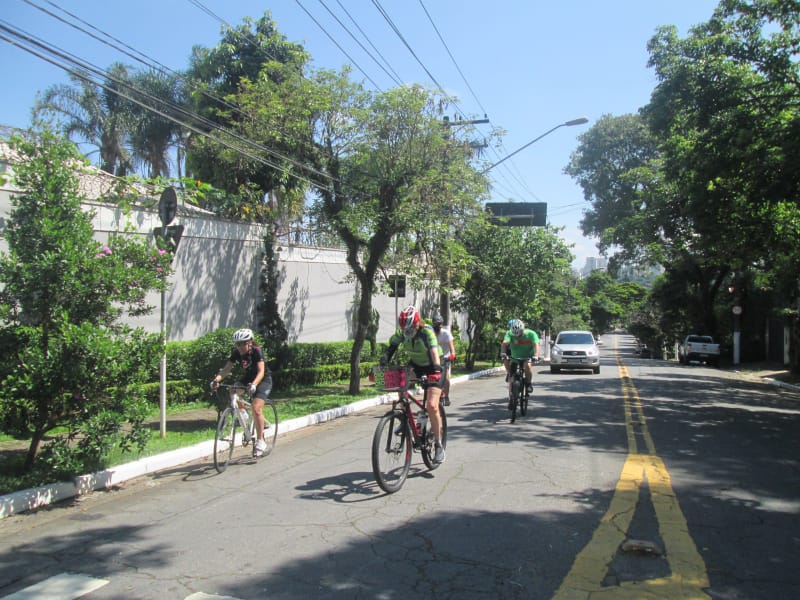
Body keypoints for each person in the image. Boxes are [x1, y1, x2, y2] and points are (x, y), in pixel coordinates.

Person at [380, 305, 446, 463]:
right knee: (400, 384)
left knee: (431, 406)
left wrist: (436, 371)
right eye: (404, 329)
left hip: (434, 365)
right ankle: (405, 419)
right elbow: (391, 348)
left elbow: (434, 353)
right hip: (416, 365)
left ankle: (438, 445)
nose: (407, 332)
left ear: (417, 324)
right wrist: (384, 359)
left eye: (410, 328)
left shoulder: (427, 333)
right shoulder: (401, 333)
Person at [210, 328, 274, 457]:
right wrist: (216, 380)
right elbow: (227, 369)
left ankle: (260, 441)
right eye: (237, 344)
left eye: (242, 344)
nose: (239, 347)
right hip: (248, 379)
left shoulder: (257, 350)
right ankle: (243, 413)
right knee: (233, 389)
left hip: (262, 380)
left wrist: (254, 384)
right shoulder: (237, 352)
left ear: (250, 342)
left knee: (256, 408)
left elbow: (261, 371)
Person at [500, 319, 540, 401]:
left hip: (527, 357)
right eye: (515, 335)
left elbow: (536, 345)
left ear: (523, 329)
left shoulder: (531, 334)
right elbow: (504, 343)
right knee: (506, 361)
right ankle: (509, 376)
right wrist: (503, 353)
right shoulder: (509, 333)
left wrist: (536, 356)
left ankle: (528, 384)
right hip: (515, 357)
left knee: (527, 366)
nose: (518, 337)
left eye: (520, 334)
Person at [431, 313, 456, 407]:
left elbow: (452, 349)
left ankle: (446, 396)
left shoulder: (446, 333)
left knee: (446, 378)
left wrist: (452, 355)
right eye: (436, 323)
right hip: (434, 358)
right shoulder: (430, 333)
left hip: (445, 357)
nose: (438, 325)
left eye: (440, 324)